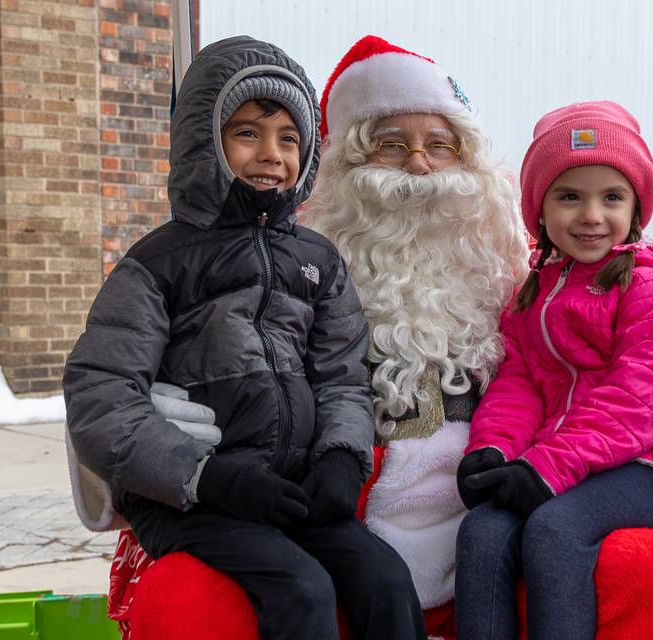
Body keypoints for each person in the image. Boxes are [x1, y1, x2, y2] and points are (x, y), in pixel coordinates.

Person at [135, 36, 653, 638]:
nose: (419, 166)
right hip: (338, 539)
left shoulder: (514, 268)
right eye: (390, 144)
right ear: (344, 165)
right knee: (185, 590)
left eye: (441, 146)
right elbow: (132, 375)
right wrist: (152, 435)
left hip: (508, 537)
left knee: (643, 565)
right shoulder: (284, 267)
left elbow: (642, 360)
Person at [63, 35, 426, 640]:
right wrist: (204, 475)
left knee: (384, 578)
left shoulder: (319, 260)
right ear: (207, 141)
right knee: (301, 589)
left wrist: (340, 456)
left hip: (288, 489)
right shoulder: (157, 264)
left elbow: (340, 375)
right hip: (193, 496)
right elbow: (102, 394)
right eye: (248, 132)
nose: (272, 153)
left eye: (289, 138)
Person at [454, 100, 653, 639]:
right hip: (567, 462)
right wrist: (491, 449)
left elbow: (639, 401)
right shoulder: (534, 292)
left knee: (554, 529)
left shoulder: (647, 288)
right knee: (484, 530)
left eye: (611, 197)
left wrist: (547, 467)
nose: (591, 215)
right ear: (539, 212)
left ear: (636, 208)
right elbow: (518, 384)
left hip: (650, 468)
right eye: (570, 197)